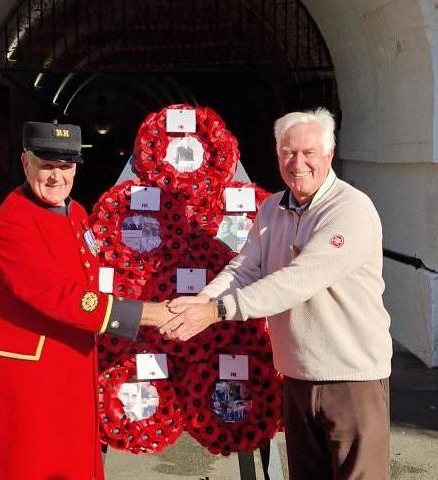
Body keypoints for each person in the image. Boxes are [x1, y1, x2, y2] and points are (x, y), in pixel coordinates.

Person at [162, 109, 393, 479]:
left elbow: (295, 281)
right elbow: (245, 267)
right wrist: (201, 302)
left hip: (351, 381)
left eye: (308, 153)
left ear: (329, 155)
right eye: (288, 152)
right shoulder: (272, 209)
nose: (297, 163)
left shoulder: (350, 210)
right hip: (298, 377)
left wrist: (217, 311)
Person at [0, 121, 175, 480]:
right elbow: (60, 296)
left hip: (66, 353)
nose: (57, 177)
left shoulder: (76, 213)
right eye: (47, 167)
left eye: (65, 167)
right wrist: (146, 314)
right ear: (26, 164)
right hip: (22, 370)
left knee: (63, 454)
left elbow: (89, 277)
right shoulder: (11, 223)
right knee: (25, 459)